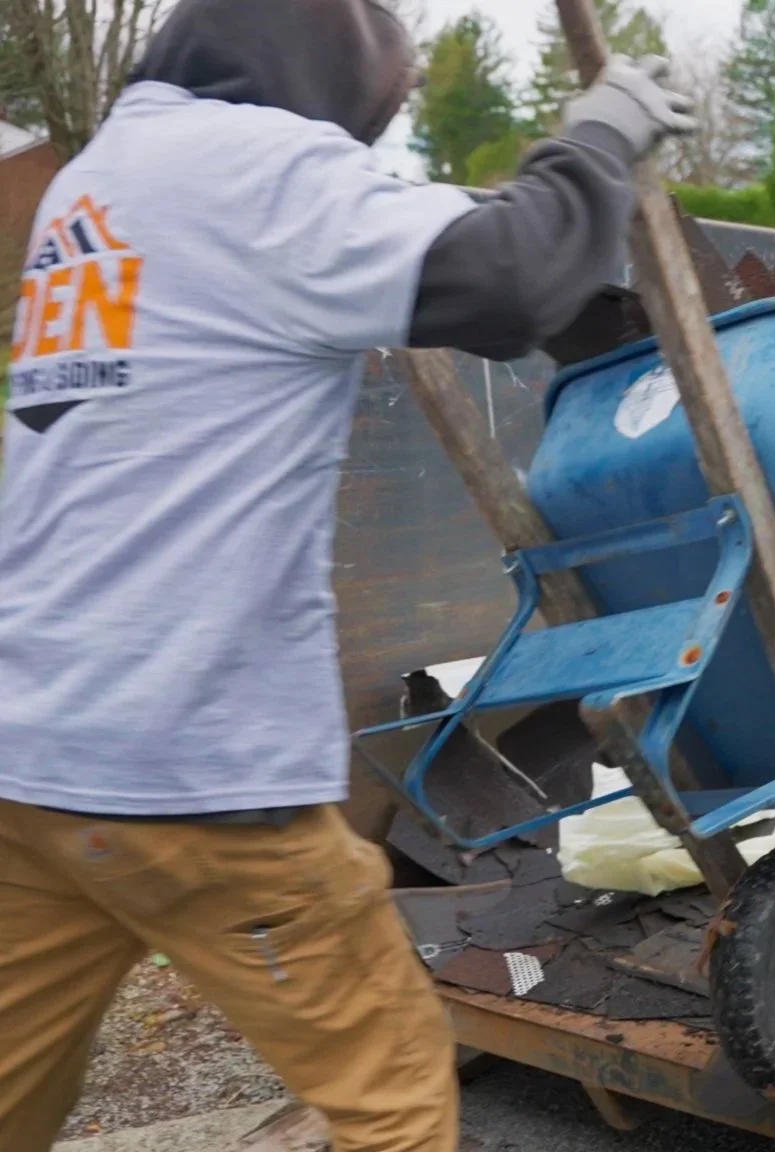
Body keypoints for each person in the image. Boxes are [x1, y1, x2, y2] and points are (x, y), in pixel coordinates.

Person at [0, 0, 695, 1148]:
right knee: (394, 1100)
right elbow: (510, 278)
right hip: (197, 773)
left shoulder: (101, 186)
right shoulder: (254, 168)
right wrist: (600, 138)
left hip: (29, 761)